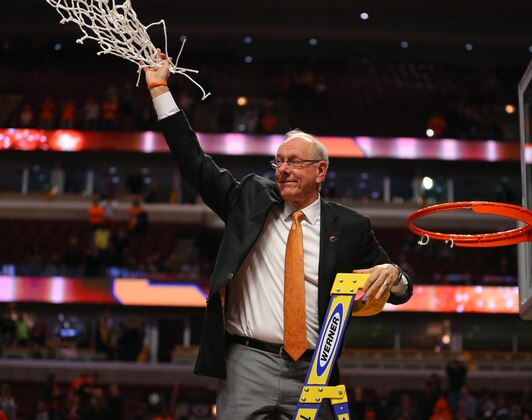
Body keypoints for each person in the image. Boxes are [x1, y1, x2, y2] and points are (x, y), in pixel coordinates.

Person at [143, 49, 413, 419]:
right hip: (247, 361)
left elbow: (402, 291)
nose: (283, 170)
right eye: (278, 162)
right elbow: (194, 163)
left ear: (320, 171)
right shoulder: (250, 199)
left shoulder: (351, 226)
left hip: (316, 368)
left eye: (294, 162)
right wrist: (160, 89)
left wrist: (394, 275)